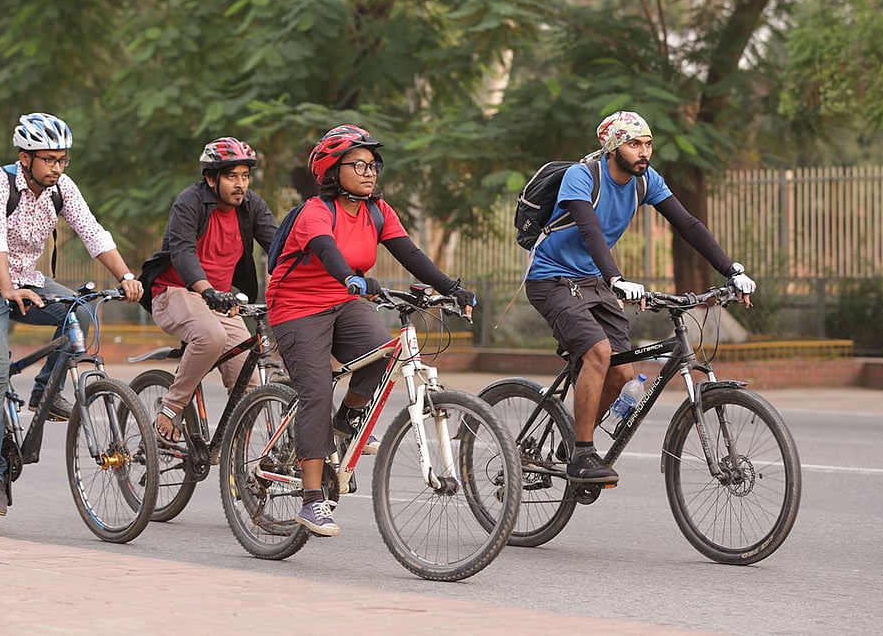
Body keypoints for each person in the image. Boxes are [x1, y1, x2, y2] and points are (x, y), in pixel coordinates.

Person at [524, 110, 756, 486]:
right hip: (552, 278)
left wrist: (732, 271)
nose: (643, 152)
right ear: (614, 146)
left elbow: (688, 225)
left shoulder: (646, 181)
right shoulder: (582, 176)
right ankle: (583, 454)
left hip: (594, 280)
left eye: (647, 144)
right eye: (634, 144)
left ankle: (569, 445)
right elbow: (589, 229)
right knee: (598, 353)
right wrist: (616, 278)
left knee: (622, 374)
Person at [266, 124, 477, 537]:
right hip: (296, 306)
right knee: (315, 392)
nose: (369, 171)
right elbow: (327, 251)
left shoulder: (378, 211)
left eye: (373, 164)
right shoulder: (316, 212)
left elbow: (410, 254)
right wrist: (351, 278)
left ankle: (343, 428)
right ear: (332, 170)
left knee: (384, 353)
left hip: (344, 300)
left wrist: (452, 288)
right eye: (358, 164)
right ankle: (311, 502)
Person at [0, 112, 144, 517]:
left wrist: (125, 274)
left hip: (27, 279)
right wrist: (6, 289)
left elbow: (92, 231)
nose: (57, 167)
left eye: (62, 159)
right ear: (25, 157)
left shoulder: (62, 188)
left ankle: (45, 394)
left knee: (82, 313)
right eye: (49, 159)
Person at [139, 137, 278, 446]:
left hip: (221, 301)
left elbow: (280, 246)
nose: (240, 184)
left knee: (251, 384)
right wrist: (206, 290)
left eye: (245, 176)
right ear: (211, 178)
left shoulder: (251, 206)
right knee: (211, 336)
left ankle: (235, 459)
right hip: (175, 292)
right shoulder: (189, 202)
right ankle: (172, 407)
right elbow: (183, 252)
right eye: (232, 176)